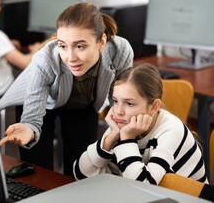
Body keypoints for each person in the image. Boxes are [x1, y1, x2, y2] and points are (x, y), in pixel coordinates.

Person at [0, 2, 134, 177]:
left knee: (82, 169)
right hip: (42, 102)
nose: (70, 58)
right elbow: (32, 115)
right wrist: (29, 128)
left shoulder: (120, 51)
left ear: (101, 43)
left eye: (80, 46)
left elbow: (120, 98)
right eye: (62, 45)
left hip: (83, 104)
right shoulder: (45, 59)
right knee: (39, 172)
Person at [73, 63, 208, 184]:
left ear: (154, 107)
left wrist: (127, 139)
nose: (118, 111)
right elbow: (81, 174)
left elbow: (144, 185)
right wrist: (110, 139)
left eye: (129, 103)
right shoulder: (122, 125)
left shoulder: (170, 131)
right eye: (115, 101)